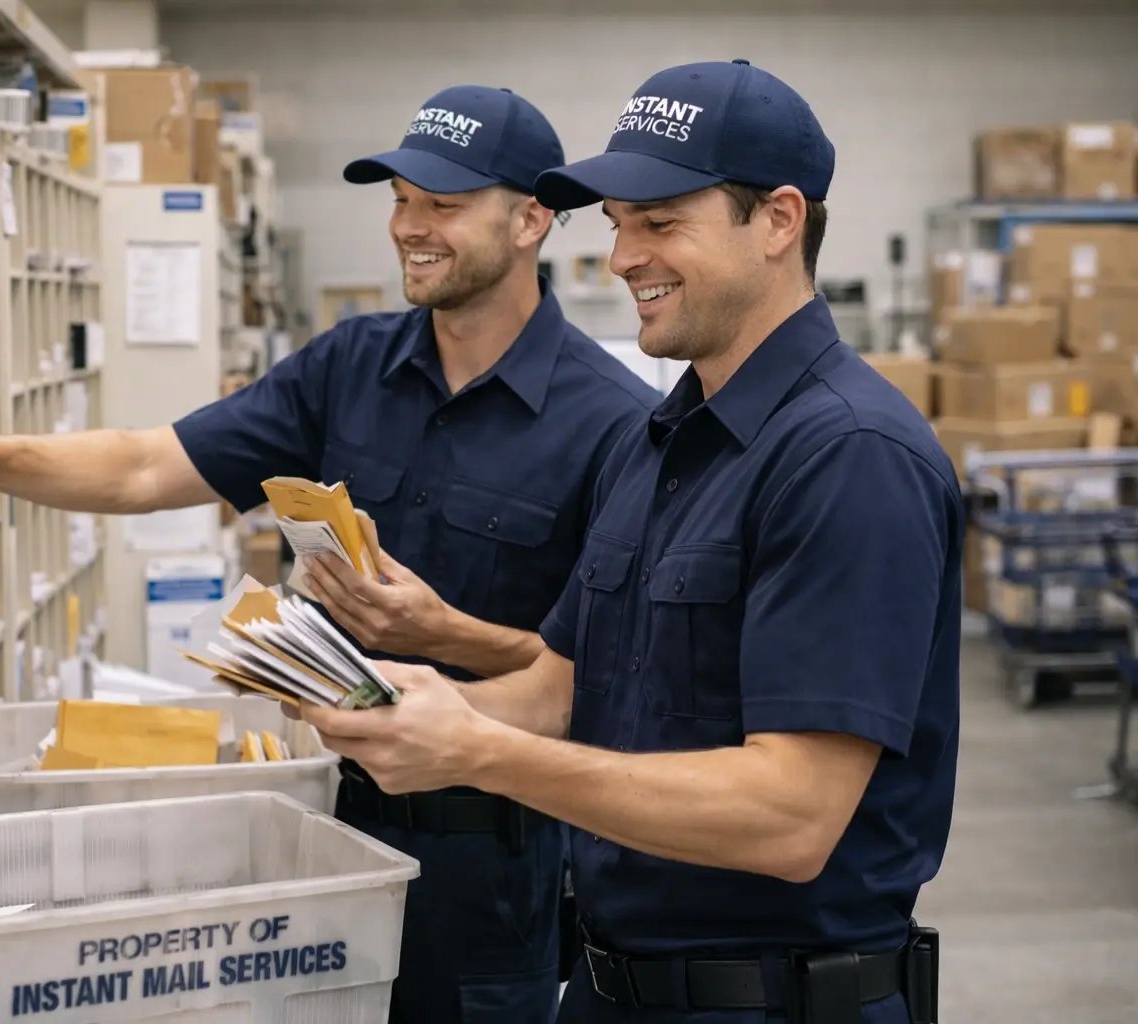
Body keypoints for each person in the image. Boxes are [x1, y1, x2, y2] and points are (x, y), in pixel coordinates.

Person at [0, 84, 660, 1022]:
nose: (409, 227)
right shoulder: (346, 367)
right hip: (317, 825)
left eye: (442, 205)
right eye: (399, 199)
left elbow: (599, 684)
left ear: (531, 220)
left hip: (488, 863)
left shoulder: (615, 425)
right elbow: (146, 466)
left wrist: (447, 631)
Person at [301, 59, 960, 1024]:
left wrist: (476, 751)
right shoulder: (661, 440)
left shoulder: (848, 456)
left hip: (773, 1003)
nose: (620, 258)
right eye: (616, 225)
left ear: (778, 221)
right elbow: (567, 686)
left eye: (661, 223)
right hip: (612, 986)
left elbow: (792, 815)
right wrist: (416, 701)